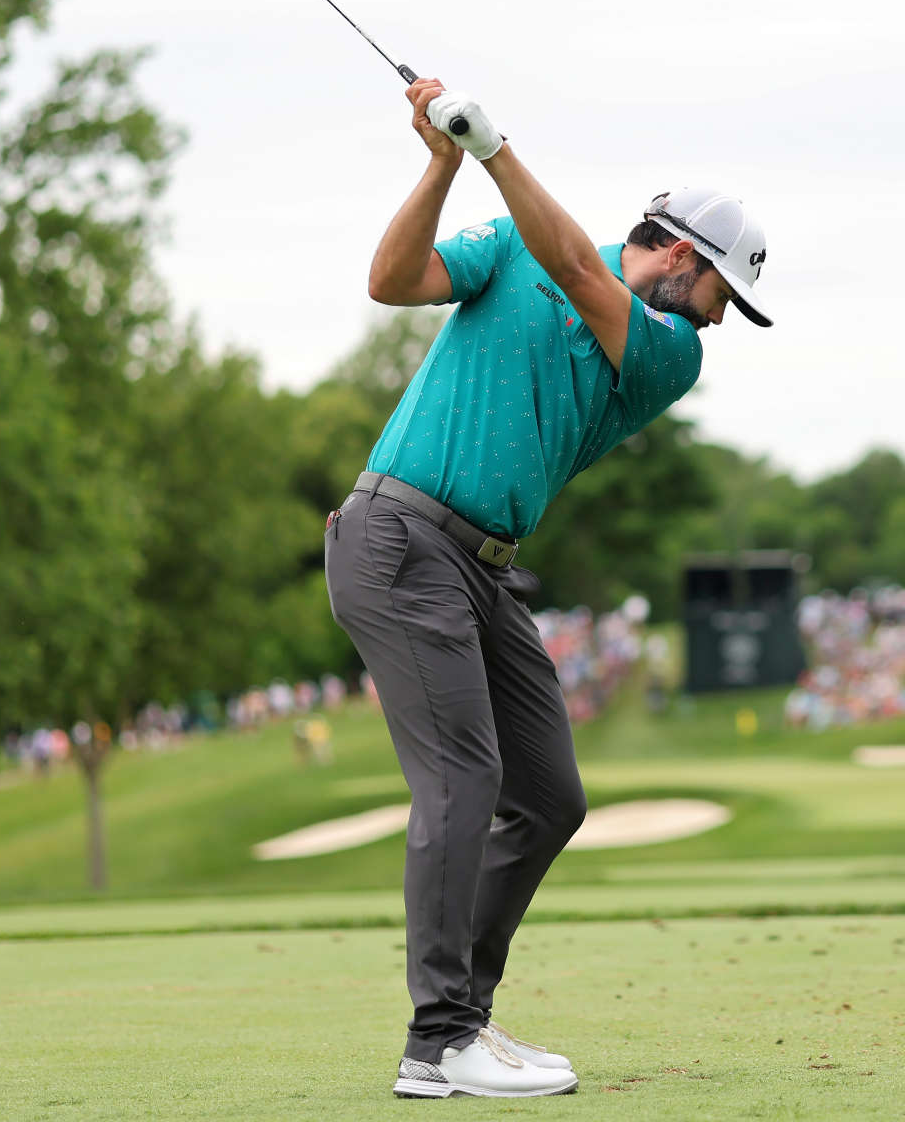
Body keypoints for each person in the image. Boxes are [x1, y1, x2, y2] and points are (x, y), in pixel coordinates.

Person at [323, 77, 774, 1100]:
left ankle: (463, 1020)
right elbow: (392, 281)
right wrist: (443, 161)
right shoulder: (509, 244)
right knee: (464, 782)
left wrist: (493, 146)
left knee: (548, 796)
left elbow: (575, 263)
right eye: (721, 297)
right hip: (398, 537)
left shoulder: (665, 352)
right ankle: (438, 1040)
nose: (721, 322)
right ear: (682, 257)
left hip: (482, 570)